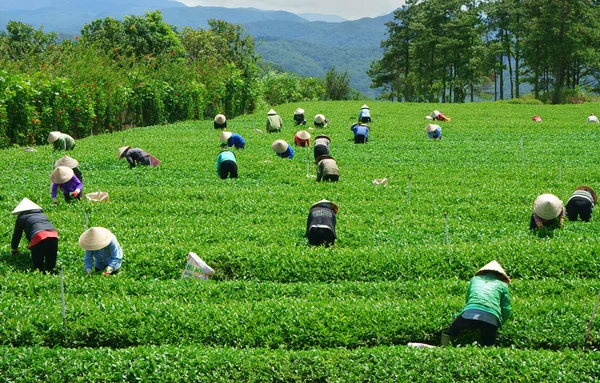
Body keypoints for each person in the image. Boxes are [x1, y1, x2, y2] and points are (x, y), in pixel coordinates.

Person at [442, 260, 511, 346]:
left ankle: (444, 347)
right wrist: (499, 323)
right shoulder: (503, 285)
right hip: (491, 318)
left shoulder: (474, 279)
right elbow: (506, 308)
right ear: (501, 276)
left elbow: (468, 299)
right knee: (488, 345)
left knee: (453, 329)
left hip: (469, 313)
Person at [10, 198, 58, 273]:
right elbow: (43, 229)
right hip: (54, 235)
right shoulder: (42, 214)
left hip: (38, 236)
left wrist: (14, 249)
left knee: (38, 268)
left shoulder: (22, 217)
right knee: (50, 267)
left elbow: (17, 234)